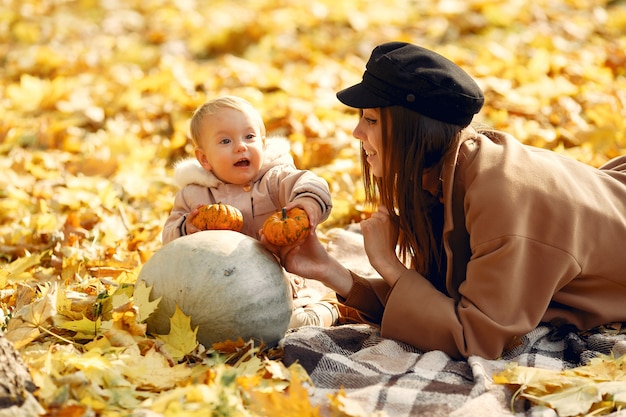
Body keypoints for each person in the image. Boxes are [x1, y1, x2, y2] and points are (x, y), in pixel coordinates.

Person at [263, 41, 626, 360]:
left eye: (371, 120)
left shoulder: (501, 196)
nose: (357, 132)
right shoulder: (445, 175)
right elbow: (436, 298)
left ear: (413, 128)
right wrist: (332, 272)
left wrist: (390, 266)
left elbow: (478, 336)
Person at [162, 95, 338, 328]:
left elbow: (307, 182)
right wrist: (187, 228)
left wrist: (308, 202)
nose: (241, 146)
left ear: (263, 145)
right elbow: (168, 237)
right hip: (222, 287)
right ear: (204, 159)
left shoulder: (274, 179)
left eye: (249, 137)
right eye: (225, 141)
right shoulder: (193, 195)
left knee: (294, 322)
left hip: (279, 282)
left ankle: (325, 308)